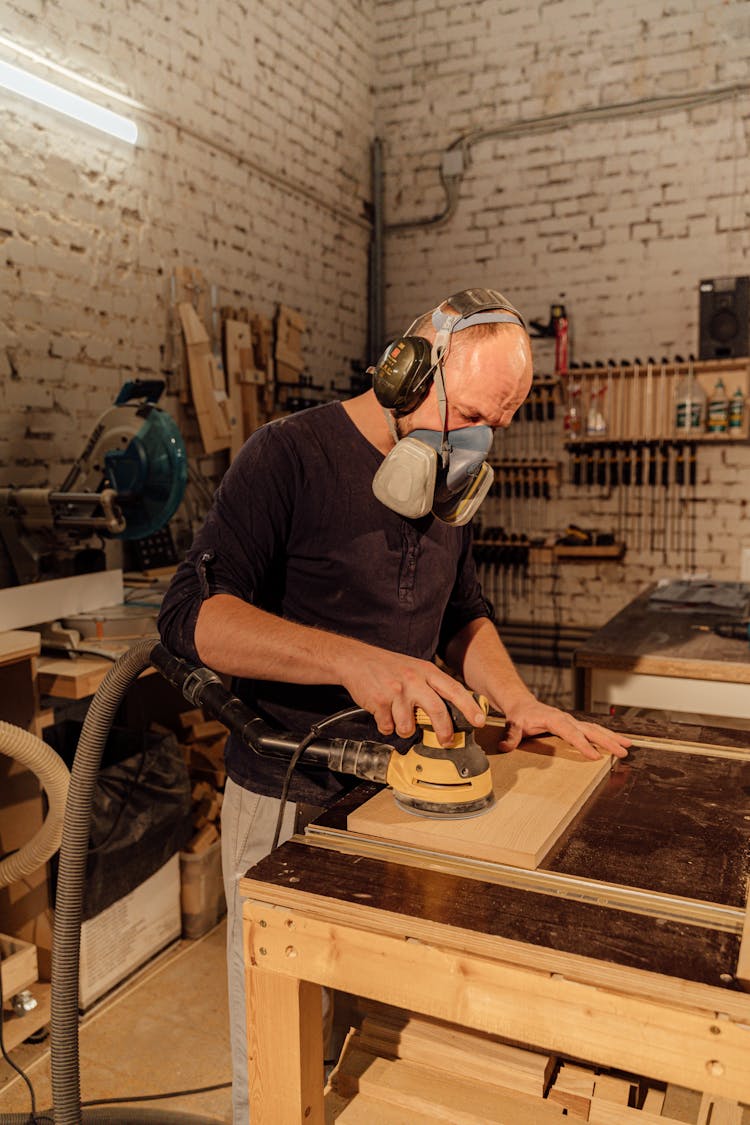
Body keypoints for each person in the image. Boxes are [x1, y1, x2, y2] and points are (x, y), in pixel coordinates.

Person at [157, 287, 630, 1121]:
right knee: (274, 1056)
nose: (478, 440)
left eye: (497, 422)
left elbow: (458, 611)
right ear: (408, 371)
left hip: (394, 792)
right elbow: (192, 619)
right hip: (285, 791)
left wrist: (520, 700)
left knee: (367, 1041)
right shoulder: (288, 455)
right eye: (472, 414)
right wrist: (354, 662)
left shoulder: (448, 478)